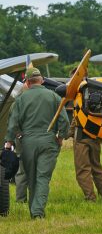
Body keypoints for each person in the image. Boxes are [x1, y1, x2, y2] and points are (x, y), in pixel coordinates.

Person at [3, 67, 69, 219]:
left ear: (27, 81)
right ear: (42, 80)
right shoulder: (53, 96)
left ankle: (35, 211)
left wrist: (9, 141)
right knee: (43, 177)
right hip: (48, 141)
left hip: (28, 143)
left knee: (31, 178)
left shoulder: (20, 99)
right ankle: (37, 212)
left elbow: (12, 122)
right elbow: (64, 120)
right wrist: (60, 137)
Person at [71, 115, 102, 201]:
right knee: (97, 168)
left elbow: (76, 116)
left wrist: (69, 132)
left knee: (82, 170)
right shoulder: (99, 103)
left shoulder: (79, 102)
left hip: (81, 138)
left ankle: (90, 198)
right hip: (95, 137)